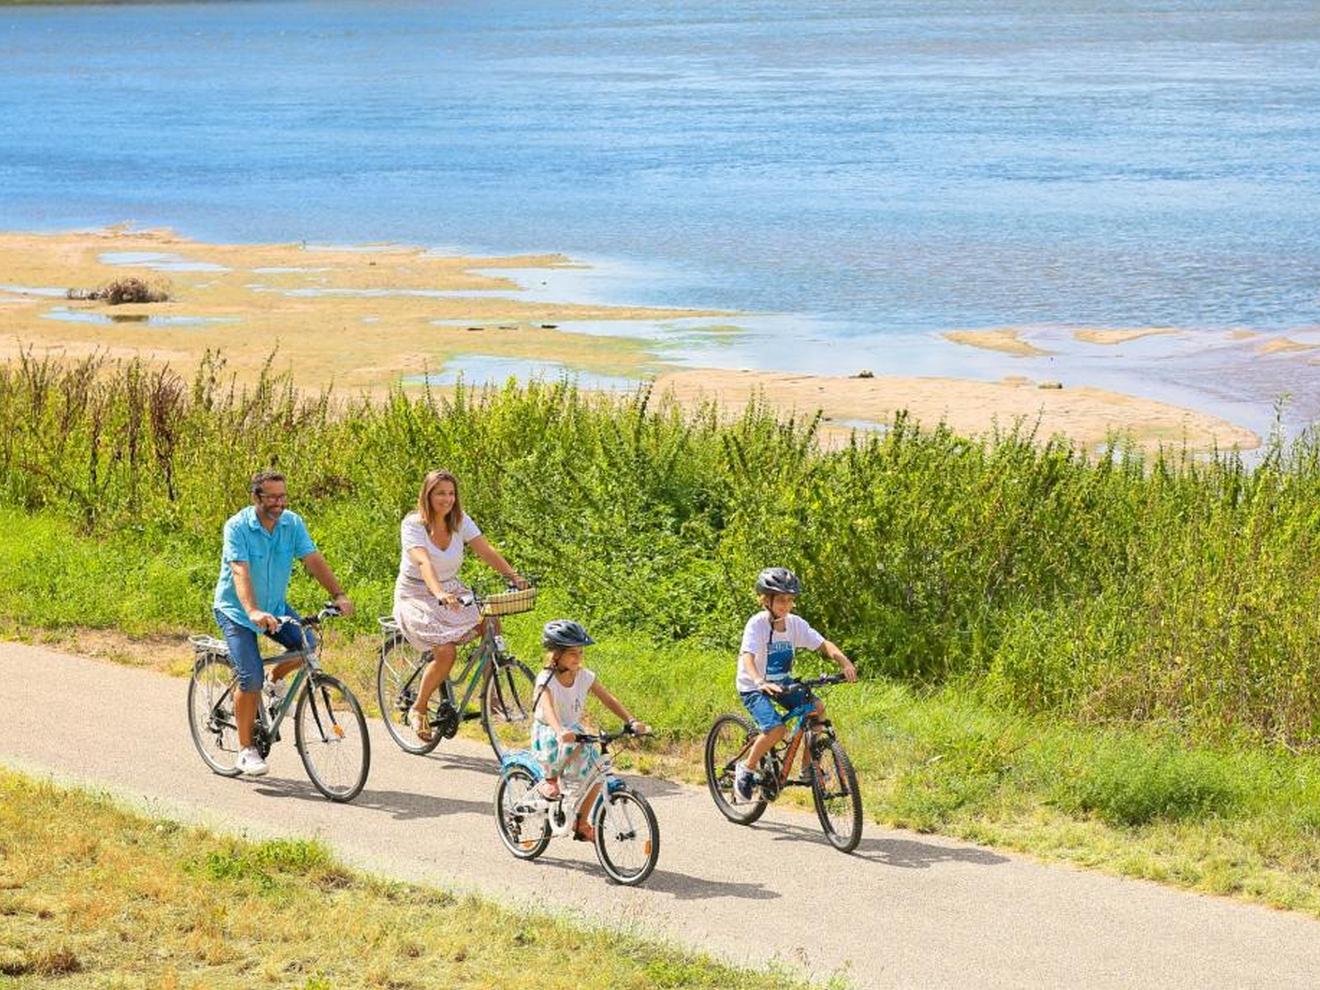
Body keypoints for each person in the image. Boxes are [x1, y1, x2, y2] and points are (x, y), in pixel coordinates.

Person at [213, 469, 355, 777]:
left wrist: (338, 594)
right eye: (272, 497)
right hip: (237, 612)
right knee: (249, 677)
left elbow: (313, 559)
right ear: (256, 497)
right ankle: (246, 749)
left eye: (283, 496)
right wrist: (252, 611)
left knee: (308, 646)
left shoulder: (292, 523)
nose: (279, 502)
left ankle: (274, 682)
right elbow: (240, 571)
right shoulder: (237, 527)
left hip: (275, 607)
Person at [393, 469, 526, 741]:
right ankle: (418, 709)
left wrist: (514, 576)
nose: (447, 499)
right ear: (427, 495)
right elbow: (423, 562)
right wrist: (438, 591)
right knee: (446, 652)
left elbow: (485, 550)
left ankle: (490, 699)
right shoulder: (413, 525)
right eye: (440, 493)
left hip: (450, 589)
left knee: (491, 622)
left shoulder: (460, 521)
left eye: (451, 493)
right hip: (417, 593)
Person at [733, 567, 856, 803]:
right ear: (765, 599)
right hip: (753, 684)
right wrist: (759, 681)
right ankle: (746, 769)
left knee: (816, 709)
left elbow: (823, 644)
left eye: (790, 600)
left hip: (782, 683)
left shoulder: (795, 624)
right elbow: (747, 657)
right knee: (777, 730)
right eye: (780, 599)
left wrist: (844, 661)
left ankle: (808, 767)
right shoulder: (756, 624)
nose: (786, 605)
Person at [532, 619, 649, 842]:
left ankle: (581, 822)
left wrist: (631, 720)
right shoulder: (546, 679)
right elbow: (547, 709)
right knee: (573, 736)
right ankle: (551, 779)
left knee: (597, 771)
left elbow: (608, 699)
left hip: (572, 734)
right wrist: (559, 731)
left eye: (580, 652)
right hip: (549, 733)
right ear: (557, 655)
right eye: (572, 653)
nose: (578, 658)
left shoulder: (584, 676)